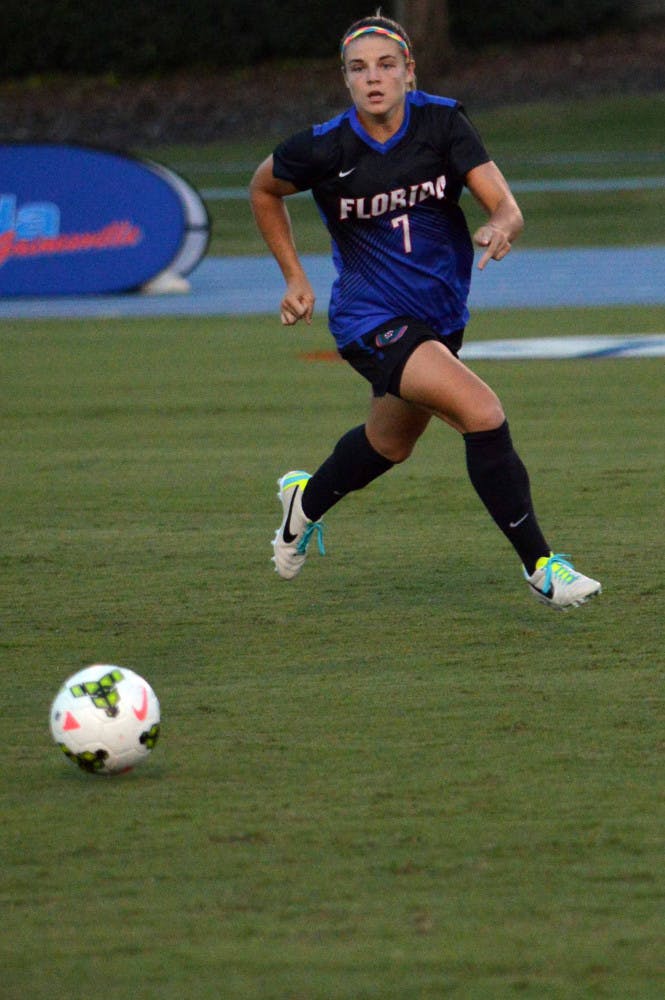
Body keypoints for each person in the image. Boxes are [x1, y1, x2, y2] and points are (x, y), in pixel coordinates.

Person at [249, 11, 601, 610]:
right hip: (369, 319)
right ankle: (543, 568)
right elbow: (262, 188)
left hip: (438, 318)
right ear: (346, 81)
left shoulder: (442, 123)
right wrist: (294, 277)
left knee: (388, 444)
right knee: (483, 412)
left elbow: (505, 205)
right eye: (359, 69)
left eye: (387, 65)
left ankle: (302, 505)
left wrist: (500, 224)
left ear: (409, 72)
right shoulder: (324, 146)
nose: (374, 78)